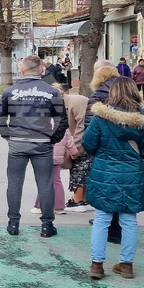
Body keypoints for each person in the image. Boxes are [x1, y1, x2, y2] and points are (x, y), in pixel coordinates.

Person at [0, 55, 68, 237]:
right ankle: (47, 225)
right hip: (42, 142)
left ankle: (13, 223)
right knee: (45, 184)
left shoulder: (10, 91)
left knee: (14, 184)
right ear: (41, 70)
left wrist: (8, 136)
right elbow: (62, 120)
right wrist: (53, 138)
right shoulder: (52, 92)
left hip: (18, 142)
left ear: (22, 70)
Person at [81, 77, 144, 280]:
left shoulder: (101, 118)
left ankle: (96, 265)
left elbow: (88, 145)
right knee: (129, 220)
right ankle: (126, 265)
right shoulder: (142, 118)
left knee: (102, 219)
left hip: (104, 173)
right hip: (133, 174)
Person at [85, 61, 124, 242]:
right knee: (123, 192)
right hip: (129, 153)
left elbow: (90, 129)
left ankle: (108, 229)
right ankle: (118, 229)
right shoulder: (128, 94)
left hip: (104, 152)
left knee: (104, 192)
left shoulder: (97, 96)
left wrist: (91, 149)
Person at [31, 128, 78, 217]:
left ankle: (40, 206)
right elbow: (69, 142)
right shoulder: (63, 125)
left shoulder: (41, 122)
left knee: (44, 182)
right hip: (57, 158)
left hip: (43, 156)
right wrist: (74, 152)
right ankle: (59, 207)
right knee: (56, 181)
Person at [62, 83, 91, 213]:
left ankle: (78, 200)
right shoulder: (66, 103)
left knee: (79, 170)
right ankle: (84, 199)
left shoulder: (76, 102)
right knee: (84, 170)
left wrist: (76, 148)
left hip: (84, 141)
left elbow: (81, 126)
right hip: (83, 140)